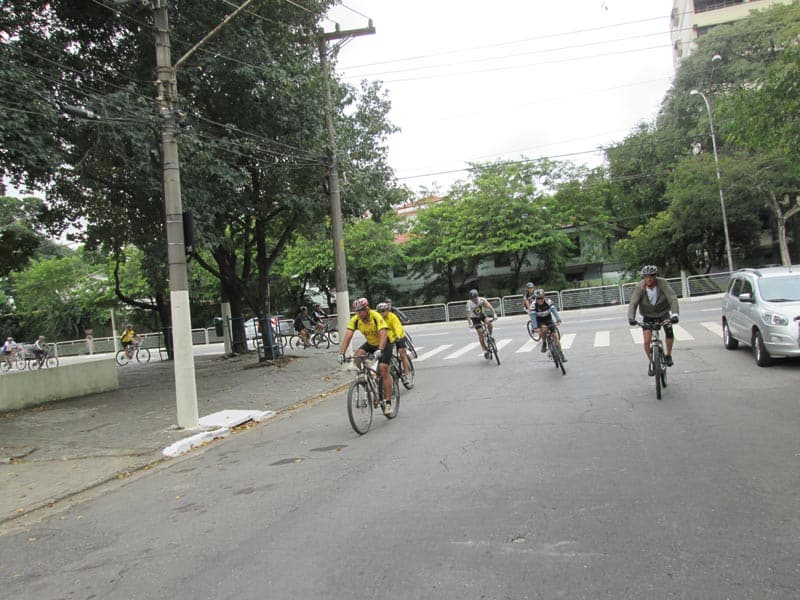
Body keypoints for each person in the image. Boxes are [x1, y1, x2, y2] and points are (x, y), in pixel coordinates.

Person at [338, 298, 394, 415]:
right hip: (370, 343)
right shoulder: (356, 320)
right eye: (356, 311)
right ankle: (368, 376)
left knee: (383, 369)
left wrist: (380, 349)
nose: (358, 313)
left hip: (384, 343)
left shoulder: (375, 316)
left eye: (360, 311)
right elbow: (348, 336)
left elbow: (383, 334)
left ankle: (388, 402)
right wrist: (342, 353)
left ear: (367, 309)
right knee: (357, 358)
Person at [627, 265, 680, 374]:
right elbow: (633, 303)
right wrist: (631, 318)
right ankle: (651, 362)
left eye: (651, 276)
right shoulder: (640, 287)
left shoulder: (662, 283)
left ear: (655, 276)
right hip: (647, 314)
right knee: (647, 341)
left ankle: (668, 355)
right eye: (646, 276)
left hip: (663, 312)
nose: (649, 279)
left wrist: (675, 315)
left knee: (669, 331)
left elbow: (672, 298)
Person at [376, 302, 411, 384]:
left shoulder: (392, 317)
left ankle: (406, 375)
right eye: (379, 312)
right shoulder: (378, 319)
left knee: (402, 354)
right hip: (388, 339)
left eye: (383, 311)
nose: (381, 313)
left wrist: (398, 336)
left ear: (387, 311)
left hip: (398, 336)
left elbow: (397, 327)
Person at [530, 289, 567, 361]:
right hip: (539, 320)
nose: (540, 300)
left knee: (555, 336)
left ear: (544, 297)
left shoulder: (548, 301)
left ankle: (562, 355)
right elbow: (533, 317)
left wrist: (558, 319)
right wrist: (535, 327)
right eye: (538, 298)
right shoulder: (533, 305)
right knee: (544, 329)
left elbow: (554, 310)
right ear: (535, 298)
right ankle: (544, 342)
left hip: (548, 318)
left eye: (541, 298)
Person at [465, 288, 498, 359]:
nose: (475, 300)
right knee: (480, 333)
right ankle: (484, 349)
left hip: (481, 315)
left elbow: (490, 307)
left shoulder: (482, 300)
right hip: (474, 318)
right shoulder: (469, 303)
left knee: (489, 323)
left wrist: (494, 315)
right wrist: (470, 323)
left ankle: (490, 337)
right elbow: (468, 314)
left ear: (478, 296)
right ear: (471, 299)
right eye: (473, 299)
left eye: (476, 298)